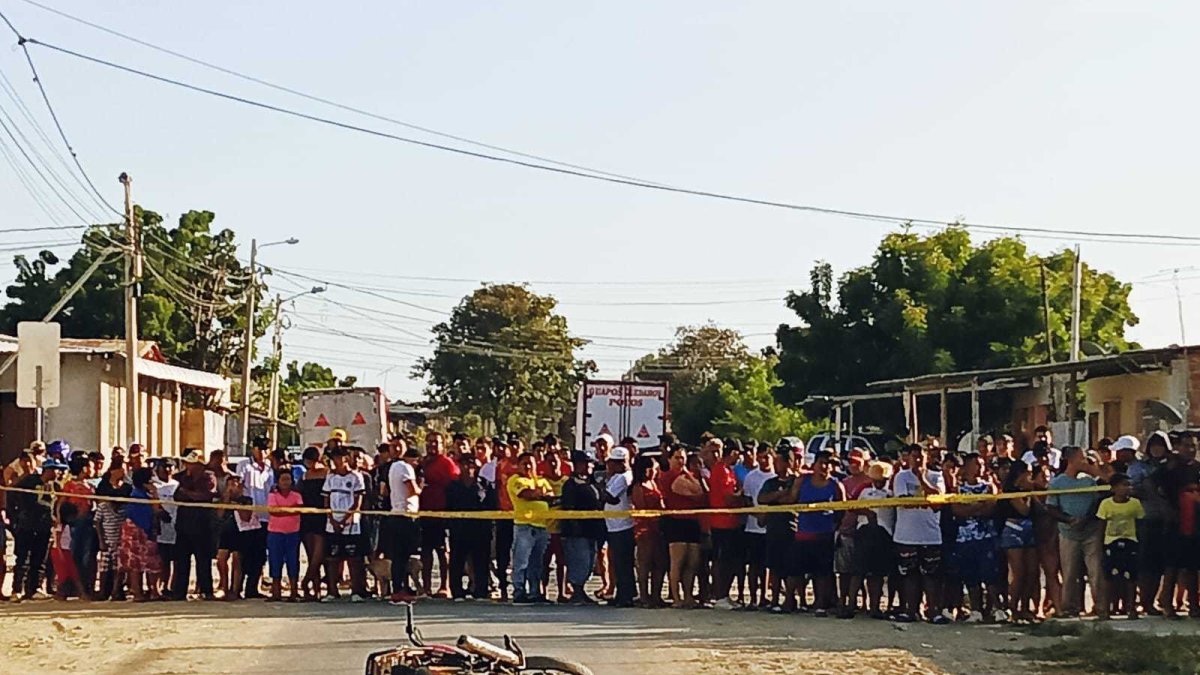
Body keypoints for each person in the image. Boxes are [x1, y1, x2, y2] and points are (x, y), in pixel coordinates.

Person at [1047, 446, 1106, 619]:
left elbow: (1098, 500)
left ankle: (1101, 607)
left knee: (1096, 571)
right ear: (1070, 460)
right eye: (1081, 458)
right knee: (1070, 572)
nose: (1084, 461)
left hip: (1090, 531)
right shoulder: (1057, 483)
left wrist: (1094, 470)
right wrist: (1069, 520)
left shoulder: (1089, 481)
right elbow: (1051, 507)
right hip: (1068, 532)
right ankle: (1069, 608)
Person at [892, 443, 948, 624]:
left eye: (920, 457)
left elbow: (937, 501)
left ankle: (933, 611)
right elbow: (903, 502)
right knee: (909, 575)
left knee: (931, 575)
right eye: (913, 456)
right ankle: (911, 611)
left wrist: (923, 479)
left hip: (930, 535)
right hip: (906, 534)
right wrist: (922, 500)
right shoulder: (900, 477)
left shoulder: (936, 476)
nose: (917, 460)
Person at [788, 450, 845, 617]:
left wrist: (834, 525)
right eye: (821, 462)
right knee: (795, 571)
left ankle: (820, 604)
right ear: (815, 463)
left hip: (824, 534)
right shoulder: (802, 480)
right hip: (803, 533)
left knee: (822, 573)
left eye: (828, 463)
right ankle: (790, 601)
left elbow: (841, 509)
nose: (824, 466)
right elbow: (792, 499)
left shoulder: (835, 485)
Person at [950, 453, 1002, 623]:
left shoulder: (989, 487)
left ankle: (997, 608)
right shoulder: (958, 488)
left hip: (985, 537)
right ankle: (976, 610)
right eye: (975, 464)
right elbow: (957, 510)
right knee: (970, 576)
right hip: (965, 538)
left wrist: (972, 508)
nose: (979, 468)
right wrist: (977, 507)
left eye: (981, 464)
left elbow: (991, 508)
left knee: (990, 576)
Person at [1129, 431, 1173, 615]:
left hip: (1167, 519)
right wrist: (1149, 488)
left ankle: (1153, 602)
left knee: (1160, 565)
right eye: (1153, 445)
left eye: (1160, 445)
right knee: (1144, 564)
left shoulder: (1172, 466)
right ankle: (1143, 601)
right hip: (1145, 518)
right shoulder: (1139, 467)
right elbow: (1130, 488)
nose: (1157, 449)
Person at [11, 456, 64, 601]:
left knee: (39, 559)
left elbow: (57, 504)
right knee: (23, 558)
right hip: (27, 525)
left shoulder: (56, 486)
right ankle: (17, 589)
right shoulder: (30, 482)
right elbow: (17, 495)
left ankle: (34, 588)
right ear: (47, 470)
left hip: (44, 527)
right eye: (56, 470)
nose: (58, 473)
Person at [849, 461, 896, 619]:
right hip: (865, 531)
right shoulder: (864, 489)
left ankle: (874, 607)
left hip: (885, 532)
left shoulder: (892, 492)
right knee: (858, 571)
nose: (879, 482)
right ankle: (850, 605)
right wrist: (867, 513)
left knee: (877, 573)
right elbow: (849, 504)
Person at [508, 452, 555, 605]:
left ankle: (535, 592)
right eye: (524, 463)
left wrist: (540, 494)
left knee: (537, 562)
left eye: (531, 463)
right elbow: (525, 494)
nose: (528, 466)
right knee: (521, 561)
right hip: (524, 526)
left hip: (542, 526)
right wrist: (541, 494)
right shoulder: (515, 480)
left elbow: (551, 495)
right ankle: (519, 591)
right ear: (518, 465)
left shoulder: (542, 481)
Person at [446, 454, 495, 601]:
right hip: (459, 529)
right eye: (465, 464)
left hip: (480, 529)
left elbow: (491, 505)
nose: (468, 468)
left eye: (472, 464)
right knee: (457, 560)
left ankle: (481, 590)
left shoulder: (484, 485)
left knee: (481, 560)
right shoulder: (453, 486)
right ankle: (457, 591)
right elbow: (448, 507)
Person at [323, 446, 368, 602]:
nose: (336, 461)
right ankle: (332, 591)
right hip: (332, 523)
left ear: (346, 458)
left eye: (339, 458)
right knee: (332, 558)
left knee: (353, 558)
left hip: (350, 524)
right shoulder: (330, 477)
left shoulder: (356, 477)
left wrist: (345, 520)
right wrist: (332, 519)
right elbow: (326, 500)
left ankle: (356, 591)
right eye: (334, 458)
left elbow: (357, 502)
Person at [560, 451, 605, 604]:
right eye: (584, 463)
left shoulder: (591, 482)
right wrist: (574, 527)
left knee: (589, 561)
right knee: (579, 560)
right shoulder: (571, 484)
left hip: (592, 530)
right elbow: (568, 507)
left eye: (590, 463)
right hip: (577, 532)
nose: (588, 466)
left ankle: (582, 589)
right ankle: (577, 591)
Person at [759, 447, 800, 612]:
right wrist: (779, 494)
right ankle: (774, 600)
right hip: (773, 529)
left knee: (792, 568)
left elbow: (792, 499)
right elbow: (762, 498)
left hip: (792, 529)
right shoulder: (770, 483)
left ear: (788, 463)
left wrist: (780, 497)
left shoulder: (796, 480)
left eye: (778, 461)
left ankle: (789, 599)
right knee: (774, 567)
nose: (775, 465)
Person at [703, 438, 743, 610]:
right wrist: (741, 495)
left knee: (730, 560)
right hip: (722, 522)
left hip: (731, 522)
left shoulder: (728, 470)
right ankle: (719, 596)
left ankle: (725, 594)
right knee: (722, 561)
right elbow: (727, 497)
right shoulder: (721, 470)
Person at [1098, 473, 1143, 620]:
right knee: (1109, 577)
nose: (1126, 488)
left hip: (1130, 541)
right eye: (1123, 485)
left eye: (1128, 485)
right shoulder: (1106, 504)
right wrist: (1101, 545)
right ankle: (1106, 608)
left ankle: (1131, 607)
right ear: (1114, 488)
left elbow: (1140, 522)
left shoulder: (1135, 504)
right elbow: (1101, 525)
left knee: (1131, 577)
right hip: (1111, 542)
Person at [420, 431, 459, 598]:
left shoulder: (447, 463)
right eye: (429, 442)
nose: (432, 445)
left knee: (442, 551)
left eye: (436, 442)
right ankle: (426, 587)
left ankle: (444, 586)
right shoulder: (422, 463)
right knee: (425, 551)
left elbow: (455, 484)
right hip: (423, 512)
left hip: (441, 513)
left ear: (443, 445)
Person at [236, 437, 274, 600]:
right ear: (253, 449)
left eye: (266, 449)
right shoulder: (244, 465)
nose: (262, 452)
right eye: (260, 449)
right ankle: (238, 587)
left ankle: (253, 587)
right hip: (248, 517)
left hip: (265, 516)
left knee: (259, 555)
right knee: (245, 553)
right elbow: (238, 487)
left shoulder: (270, 468)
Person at [120, 467, 163, 601]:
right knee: (141, 561)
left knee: (140, 562)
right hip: (139, 529)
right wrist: (155, 494)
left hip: (137, 528)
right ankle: (140, 592)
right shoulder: (138, 496)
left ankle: (148, 591)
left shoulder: (140, 495)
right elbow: (155, 510)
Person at [741, 444, 775, 610]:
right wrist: (757, 515)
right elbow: (747, 500)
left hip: (772, 527)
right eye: (761, 457)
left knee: (768, 565)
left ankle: (765, 596)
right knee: (754, 565)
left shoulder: (776, 476)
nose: (764, 460)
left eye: (767, 456)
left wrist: (768, 517)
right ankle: (753, 597)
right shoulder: (751, 477)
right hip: (753, 527)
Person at [630, 453, 667, 608]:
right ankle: (644, 596)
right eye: (651, 468)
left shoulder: (655, 484)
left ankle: (656, 595)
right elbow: (641, 508)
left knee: (660, 563)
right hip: (644, 529)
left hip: (658, 528)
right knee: (645, 563)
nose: (654, 471)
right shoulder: (639, 487)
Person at [387, 445, 422, 603]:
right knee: (402, 555)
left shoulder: (393, 467)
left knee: (398, 556)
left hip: (396, 513)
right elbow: (412, 490)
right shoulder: (406, 467)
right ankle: (399, 588)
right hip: (406, 515)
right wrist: (421, 487)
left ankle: (400, 587)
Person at [603, 446, 637, 608]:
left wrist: (600, 488)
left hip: (621, 526)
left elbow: (610, 497)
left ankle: (626, 595)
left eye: (614, 462)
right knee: (619, 562)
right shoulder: (618, 476)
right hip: (614, 525)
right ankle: (622, 593)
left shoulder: (623, 477)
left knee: (622, 563)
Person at [60, 454, 97, 600]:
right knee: (77, 557)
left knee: (88, 557)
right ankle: (79, 589)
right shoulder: (70, 485)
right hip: (76, 523)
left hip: (88, 522)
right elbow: (61, 503)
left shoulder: (91, 485)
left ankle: (87, 587)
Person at [95, 459, 132, 601]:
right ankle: (103, 591)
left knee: (120, 567)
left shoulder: (127, 492)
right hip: (108, 537)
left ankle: (117, 590)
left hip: (121, 537)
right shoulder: (104, 493)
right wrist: (101, 540)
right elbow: (97, 521)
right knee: (105, 567)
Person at [296, 447, 330, 601]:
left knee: (319, 554)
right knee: (311, 555)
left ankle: (305, 582)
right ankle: (314, 589)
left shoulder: (328, 473)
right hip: (307, 517)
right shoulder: (304, 476)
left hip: (322, 517)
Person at [267, 469, 303, 602]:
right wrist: (290, 510)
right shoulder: (272, 495)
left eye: (288, 479)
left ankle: (294, 592)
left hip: (293, 532)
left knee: (293, 561)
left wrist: (283, 510)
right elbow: (273, 512)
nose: (286, 482)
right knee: (275, 561)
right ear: (278, 481)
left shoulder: (296, 495)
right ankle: (276, 592)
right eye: (283, 479)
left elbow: (299, 509)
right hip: (275, 532)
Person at [152, 459, 179, 597]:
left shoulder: (177, 485)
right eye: (164, 467)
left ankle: (168, 586)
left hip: (175, 527)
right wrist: (160, 513)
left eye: (170, 467)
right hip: (160, 527)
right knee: (160, 560)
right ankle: (156, 587)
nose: (167, 469)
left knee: (173, 559)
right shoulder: (154, 485)